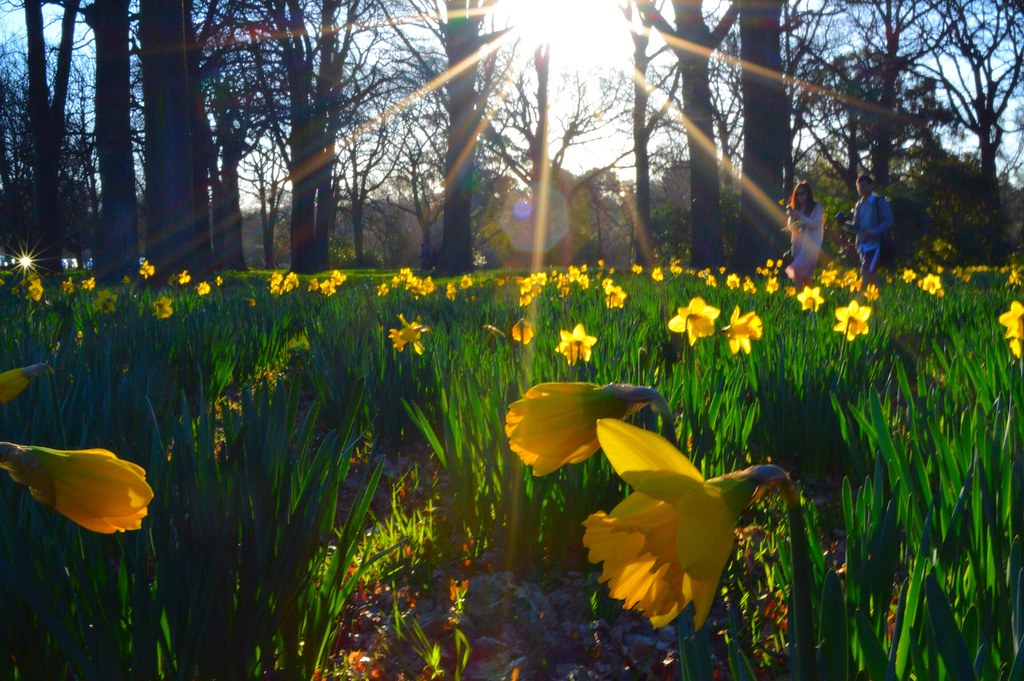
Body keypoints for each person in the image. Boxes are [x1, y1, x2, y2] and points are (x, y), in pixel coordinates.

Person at [835, 174, 893, 291]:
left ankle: (860, 297)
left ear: (872, 186)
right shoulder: (859, 204)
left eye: (865, 185)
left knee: (865, 269)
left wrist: (873, 231)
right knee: (871, 276)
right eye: (859, 186)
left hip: (876, 244)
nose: (862, 188)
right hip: (862, 245)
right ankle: (878, 301)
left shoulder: (879, 202)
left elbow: (889, 221)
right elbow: (856, 227)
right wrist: (843, 223)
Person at [783, 180, 824, 288]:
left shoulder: (816, 208)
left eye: (802, 194)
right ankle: (811, 298)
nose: (799, 196)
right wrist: (792, 216)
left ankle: (799, 296)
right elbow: (791, 228)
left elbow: (815, 224)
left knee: (795, 270)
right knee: (806, 276)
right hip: (798, 246)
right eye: (797, 194)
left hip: (811, 247)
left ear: (808, 194)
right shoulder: (797, 209)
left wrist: (800, 217)